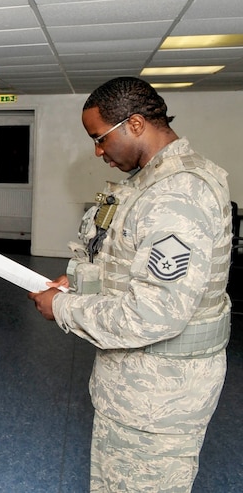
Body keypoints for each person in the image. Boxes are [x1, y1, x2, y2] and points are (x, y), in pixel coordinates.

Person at [28, 77, 231, 492]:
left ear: (136, 124)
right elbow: (130, 263)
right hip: (134, 387)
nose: (98, 151)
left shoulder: (178, 193)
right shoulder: (149, 183)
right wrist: (81, 281)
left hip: (160, 398)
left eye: (100, 139)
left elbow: (153, 314)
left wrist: (63, 308)